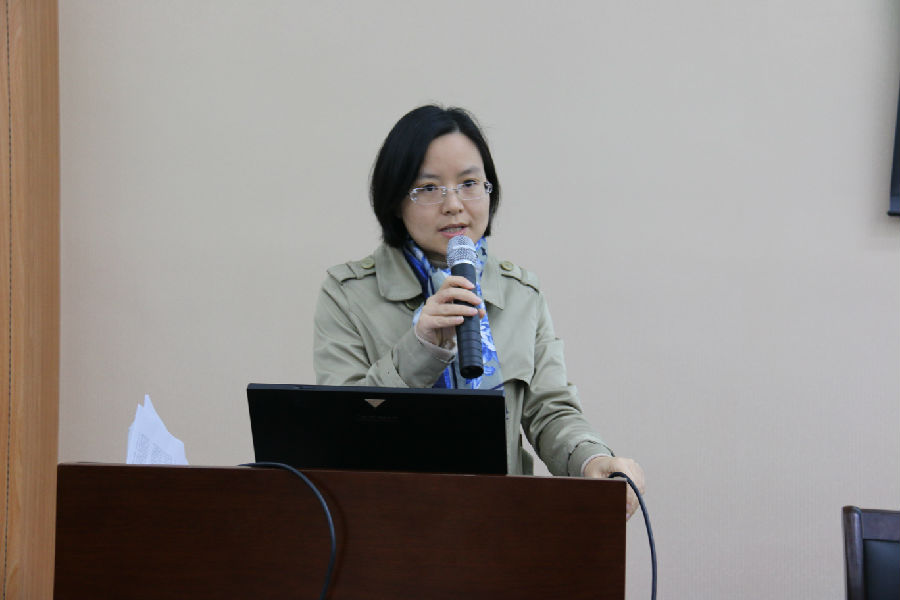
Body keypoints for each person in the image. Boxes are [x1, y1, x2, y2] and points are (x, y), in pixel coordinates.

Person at [314, 105, 645, 518]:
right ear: (396, 199)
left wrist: (592, 460)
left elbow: (551, 412)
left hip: (500, 523)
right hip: (389, 523)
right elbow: (342, 432)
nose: (454, 204)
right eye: (429, 188)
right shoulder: (348, 294)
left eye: (469, 183)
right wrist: (420, 349)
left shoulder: (521, 294)